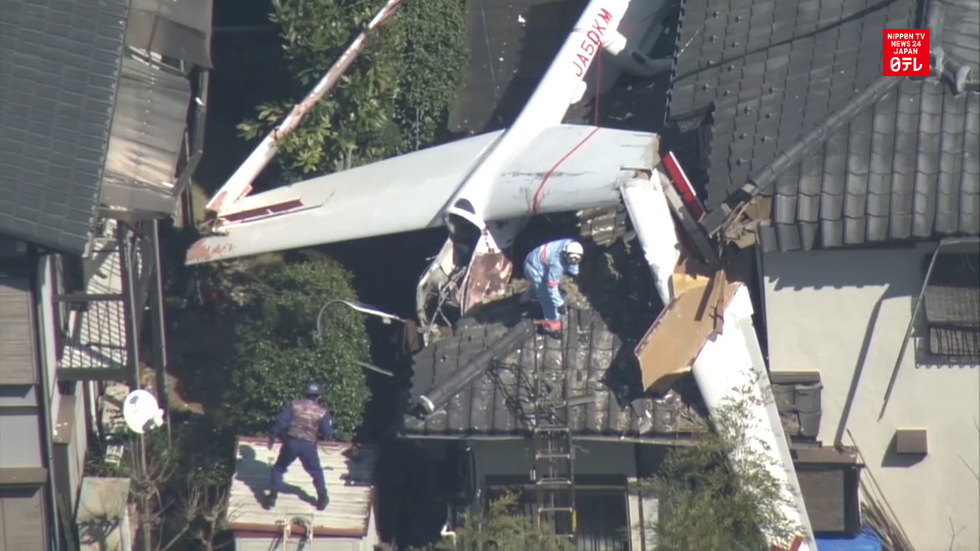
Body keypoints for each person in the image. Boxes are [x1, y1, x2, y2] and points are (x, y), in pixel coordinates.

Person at [266, 380, 333, 511]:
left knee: (279, 468)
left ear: (305, 392)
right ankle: (322, 498)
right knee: (316, 472)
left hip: (291, 442)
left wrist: (273, 434)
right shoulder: (322, 412)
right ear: (319, 395)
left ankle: (273, 496)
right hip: (308, 445)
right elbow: (327, 433)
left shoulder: (294, 405)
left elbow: (281, 421)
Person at [522, 239, 584, 334]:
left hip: (534, 259)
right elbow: (551, 287)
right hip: (534, 269)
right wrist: (559, 304)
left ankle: (529, 297)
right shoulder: (557, 265)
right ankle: (550, 327)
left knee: (540, 288)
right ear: (564, 254)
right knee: (548, 299)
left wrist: (575, 272)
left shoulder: (570, 244)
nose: (574, 261)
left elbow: (573, 261)